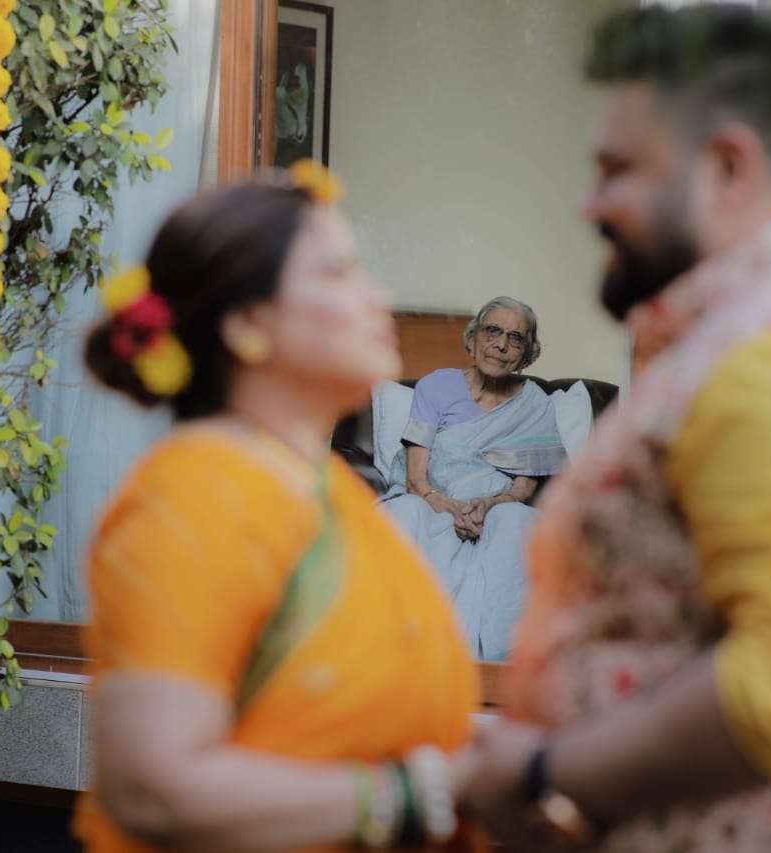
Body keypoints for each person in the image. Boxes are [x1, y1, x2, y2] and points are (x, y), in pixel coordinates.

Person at [466, 7, 771, 851]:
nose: (588, 203)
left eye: (615, 169)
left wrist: (549, 772)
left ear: (726, 166)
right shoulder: (765, 331)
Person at [78, 163, 486, 852]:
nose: (377, 296)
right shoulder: (198, 494)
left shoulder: (326, 490)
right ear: (246, 323)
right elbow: (153, 786)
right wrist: (425, 793)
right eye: (338, 272)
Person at [382, 298, 564, 660]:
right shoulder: (436, 386)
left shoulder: (535, 404)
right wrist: (451, 507)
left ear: (527, 352)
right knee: (402, 513)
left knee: (517, 520)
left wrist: (486, 506)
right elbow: (416, 479)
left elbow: (522, 490)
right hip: (432, 501)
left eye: (515, 338)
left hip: (492, 512)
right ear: (474, 337)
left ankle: (496, 661)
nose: (501, 344)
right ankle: (396, 648)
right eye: (492, 331)